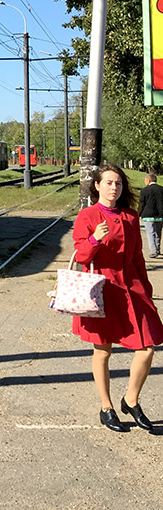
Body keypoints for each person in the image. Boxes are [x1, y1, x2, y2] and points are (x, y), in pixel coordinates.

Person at [72, 164, 163, 432]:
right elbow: (81, 256)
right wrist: (95, 240)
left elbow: (137, 258)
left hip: (132, 289)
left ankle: (131, 400)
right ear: (97, 186)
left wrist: (146, 289)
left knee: (146, 348)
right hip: (101, 289)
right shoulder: (87, 216)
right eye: (109, 183)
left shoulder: (131, 217)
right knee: (103, 350)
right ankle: (106, 407)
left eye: (119, 184)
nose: (114, 188)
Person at [138, 172, 163, 258]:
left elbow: (142, 203)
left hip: (148, 215)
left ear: (148, 180)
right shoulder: (161, 189)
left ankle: (153, 251)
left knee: (150, 233)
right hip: (160, 215)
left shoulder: (144, 190)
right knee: (158, 233)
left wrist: (139, 213)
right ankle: (158, 248)